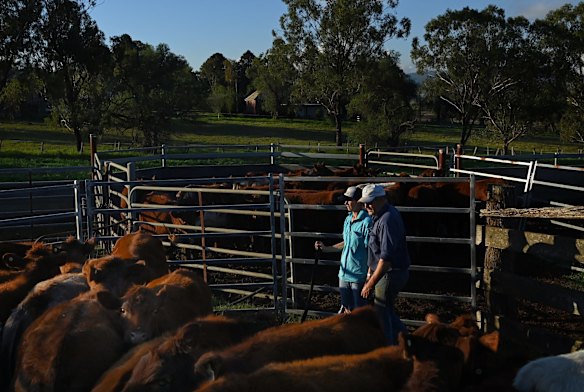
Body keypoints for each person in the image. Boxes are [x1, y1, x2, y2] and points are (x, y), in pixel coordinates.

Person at [358, 183, 410, 345]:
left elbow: (386, 258)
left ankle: (393, 345)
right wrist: (369, 274)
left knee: (382, 311)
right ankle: (404, 342)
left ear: (381, 199)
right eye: (365, 202)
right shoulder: (382, 215)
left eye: (370, 201)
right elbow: (376, 253)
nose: (367, 205)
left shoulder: (386, 220)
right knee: (385, 309)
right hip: (387, 272)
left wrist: (370, 283)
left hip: (389, 273)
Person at [314, 186, 372, 313]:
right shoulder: (347, 220)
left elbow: (371, 250)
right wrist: (325, 248)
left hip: (359, 275)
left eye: (348, 200)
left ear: (358, 201)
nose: (345, 203)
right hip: (344, 273)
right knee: (346, 308)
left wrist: (369, 276)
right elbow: (346, 243)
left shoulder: (367, 222)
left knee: (359, 312)